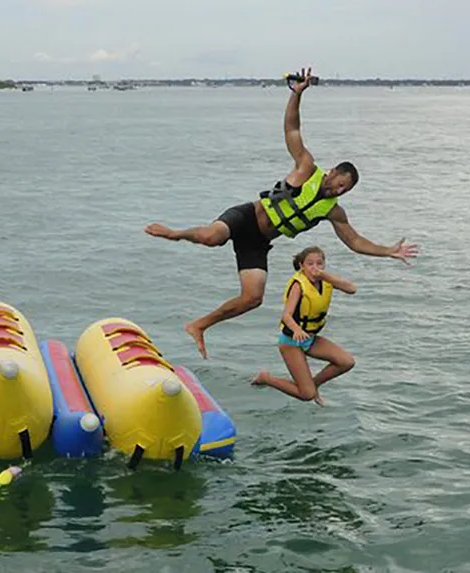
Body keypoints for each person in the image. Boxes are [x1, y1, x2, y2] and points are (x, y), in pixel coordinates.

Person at [144, 67, 419, 358]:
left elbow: (355, 242)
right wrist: (296, 95)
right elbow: (292, 129)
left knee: (253, 298)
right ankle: (176, 234)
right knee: (212, 237)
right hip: (247, 217)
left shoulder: (333, 212)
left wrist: (388, 251)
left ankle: (199, 325)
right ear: (334, 172)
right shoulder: (307, 168)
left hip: (259, 242)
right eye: (339, 185)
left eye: (344, 191)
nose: (338, 192)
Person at [251, 246, 356, 405]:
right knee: (306, 395)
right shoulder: (298, 286)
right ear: (301, 266)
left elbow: (352, 289)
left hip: (310, 339)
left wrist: (326, 276)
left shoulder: (325, 281)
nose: (315, 268)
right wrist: (297, 330)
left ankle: (315, 384)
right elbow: (286, 316)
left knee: (346, 362)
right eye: (310, 264)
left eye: (319, 264)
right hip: (291, 342)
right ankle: (266, 378)